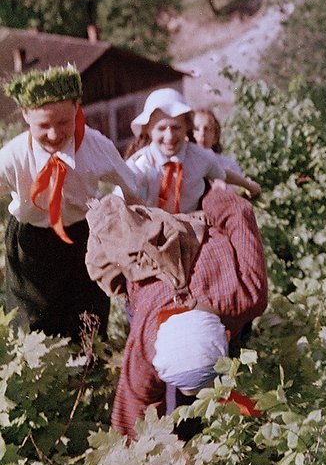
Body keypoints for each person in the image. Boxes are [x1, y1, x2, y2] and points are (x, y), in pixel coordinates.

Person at [93, 186, 269, 440]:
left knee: (209, 388)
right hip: (150, 274)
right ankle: (184, 427)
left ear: (226, 335)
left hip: (201, 242)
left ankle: (207, 414)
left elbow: (238, 211)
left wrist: (209, 192)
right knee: (171, 404)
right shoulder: (146, 342)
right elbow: (130, 412)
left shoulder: (248, 293)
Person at [0, 64, 143, 342]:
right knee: (32, 323)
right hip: (31, 242)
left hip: (83, 238)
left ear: (77, 107)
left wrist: (129, 232)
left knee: (88, 314)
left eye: (63, 122)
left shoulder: (95, 145)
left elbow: (132, 188)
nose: (54, 134)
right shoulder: (13, 155)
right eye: (43, 126)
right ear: (26, 116)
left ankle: (90, 373)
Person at [127, 89, 261, 213]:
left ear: (187, 126)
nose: (169, 136)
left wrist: (249, 185)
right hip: (152, 226)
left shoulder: (200, 156)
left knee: (237, 210)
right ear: (148, 130)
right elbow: (121, 194)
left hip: (192, 225)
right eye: (161, 128)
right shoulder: (140, 163)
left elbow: (221, 173)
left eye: (176, 127)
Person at [193, 107, 258, 195]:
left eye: (208, 129)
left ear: (215, 137)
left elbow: (238, 190)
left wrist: (248, 186)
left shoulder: (228, 164)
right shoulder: (185, 160)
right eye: (197, 129)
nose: (202, 133)